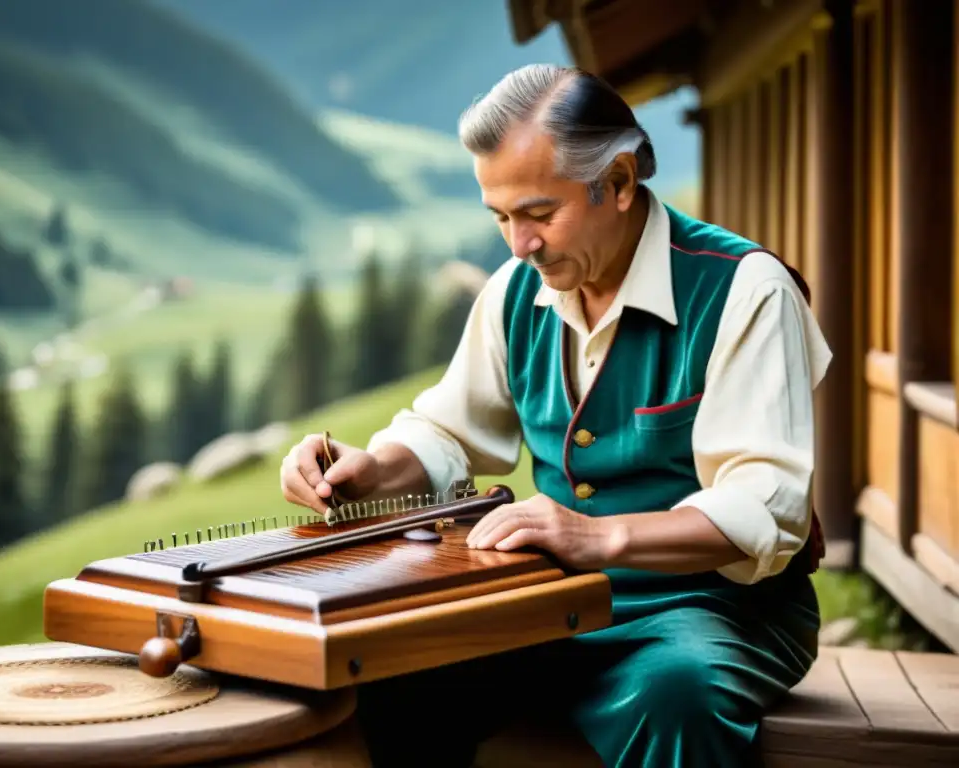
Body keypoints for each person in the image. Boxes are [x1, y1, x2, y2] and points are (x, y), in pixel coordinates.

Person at [279, 64, 832, 768]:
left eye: (540, 214)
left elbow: (768, 506)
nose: (518, 244)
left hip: (715, 613)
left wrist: (600, 538)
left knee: (676, 694)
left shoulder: (747, 290)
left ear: (622, 182)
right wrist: (369, 470)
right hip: (545, 606)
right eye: (502, 218)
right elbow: (448, 431)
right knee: (392, 677)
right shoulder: (515, 291)